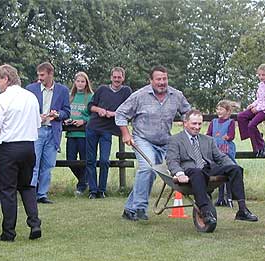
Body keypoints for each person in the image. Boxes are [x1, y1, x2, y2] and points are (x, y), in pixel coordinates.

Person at [116, 65, 190, 221]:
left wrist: (187, 124)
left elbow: (187, 112)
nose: (162, 82)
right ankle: (140, 208)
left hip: (165, 141)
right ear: (151, 81)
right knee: (148, 169)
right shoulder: (140, 96)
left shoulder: (176, 95)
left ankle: (130, 209)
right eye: (158, 79)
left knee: (155, 172)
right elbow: (121, 113)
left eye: (164, 79)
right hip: (143, 139)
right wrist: (125, 134)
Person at [166, 110, 258, 224]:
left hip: (207, 169)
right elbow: (172, 160)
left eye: (199, 124)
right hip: (189, 171)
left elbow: (221, 157)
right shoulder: (175, 140)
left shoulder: (208, 140)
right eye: (194, 123)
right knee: (196, 172)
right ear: (185, 123)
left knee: (236, 169)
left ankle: (242, 210)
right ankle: (205, 212)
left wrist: (231, 166)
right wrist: (179, 174)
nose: (197, 127)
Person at [0, 64, 42, 242]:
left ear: (6, 79)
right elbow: (37, 123)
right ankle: (34, 223)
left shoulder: (2, 99)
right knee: (26, 186)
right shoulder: (31, 97)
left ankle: (8, 232)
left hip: (9, 148)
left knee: (8, 190)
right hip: (29, 147)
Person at [26, 62, 71, 204]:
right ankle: (30, 193)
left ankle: (42, 194)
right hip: (36, 131)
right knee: (33, 164)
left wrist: (57, 114)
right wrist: (36, 116)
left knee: (48, 165)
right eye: (38, 75)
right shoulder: (31, 89)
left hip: (53, 131)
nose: (40, 78)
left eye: (42, 75)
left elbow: (67, 112)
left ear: (51, 74)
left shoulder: (62, 90)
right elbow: (25, 110)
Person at [87, 67, 132, 199]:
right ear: (111, 77)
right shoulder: (102, 89)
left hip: (108, 129)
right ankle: (92, 190)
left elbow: (130, 109)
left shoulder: (126, 91)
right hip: (93, 127)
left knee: (104, 160)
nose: (117, 79)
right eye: (115, 77)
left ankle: (102, 190)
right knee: (90, 160)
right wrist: (99, 110)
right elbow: (90, 106)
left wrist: (115, 114)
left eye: (119, 77)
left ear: (123, 78)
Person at [237, 64, 265, 158]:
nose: (261, 77)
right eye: (259, 75)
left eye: (263, 75)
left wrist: (257, 109)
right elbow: (259, 99)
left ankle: (260, 147)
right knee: (241, 116)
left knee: (251, 125)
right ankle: (253, 134)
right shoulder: (261, 85)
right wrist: (253, 105)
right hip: (261, 106)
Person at [65, 71, 92, 195]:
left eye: (82, 81)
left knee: (84, 160)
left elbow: (94, 116)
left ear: (86, 83)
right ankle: (84, 180)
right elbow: (65, 111)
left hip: (84, 134)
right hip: (71, 133)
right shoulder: (70, 96)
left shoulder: (91, 96)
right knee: (70, 161)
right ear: (74, 82)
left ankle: (81, 186)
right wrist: (67, 120)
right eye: (78, 81)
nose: (80, 84)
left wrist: (84, 121)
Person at [206, 100, 237, 207]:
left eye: (221, 109)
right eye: (217, 109)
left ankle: (228, 197)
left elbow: (232, 135)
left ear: (228, 111)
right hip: (216, 151)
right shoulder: (213, 122)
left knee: (228, 173)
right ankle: (220, 198)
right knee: (218, 174)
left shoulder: (231, 122)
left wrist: (227, 137)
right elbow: (208, 134)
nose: (218, 111)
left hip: (226, 151)